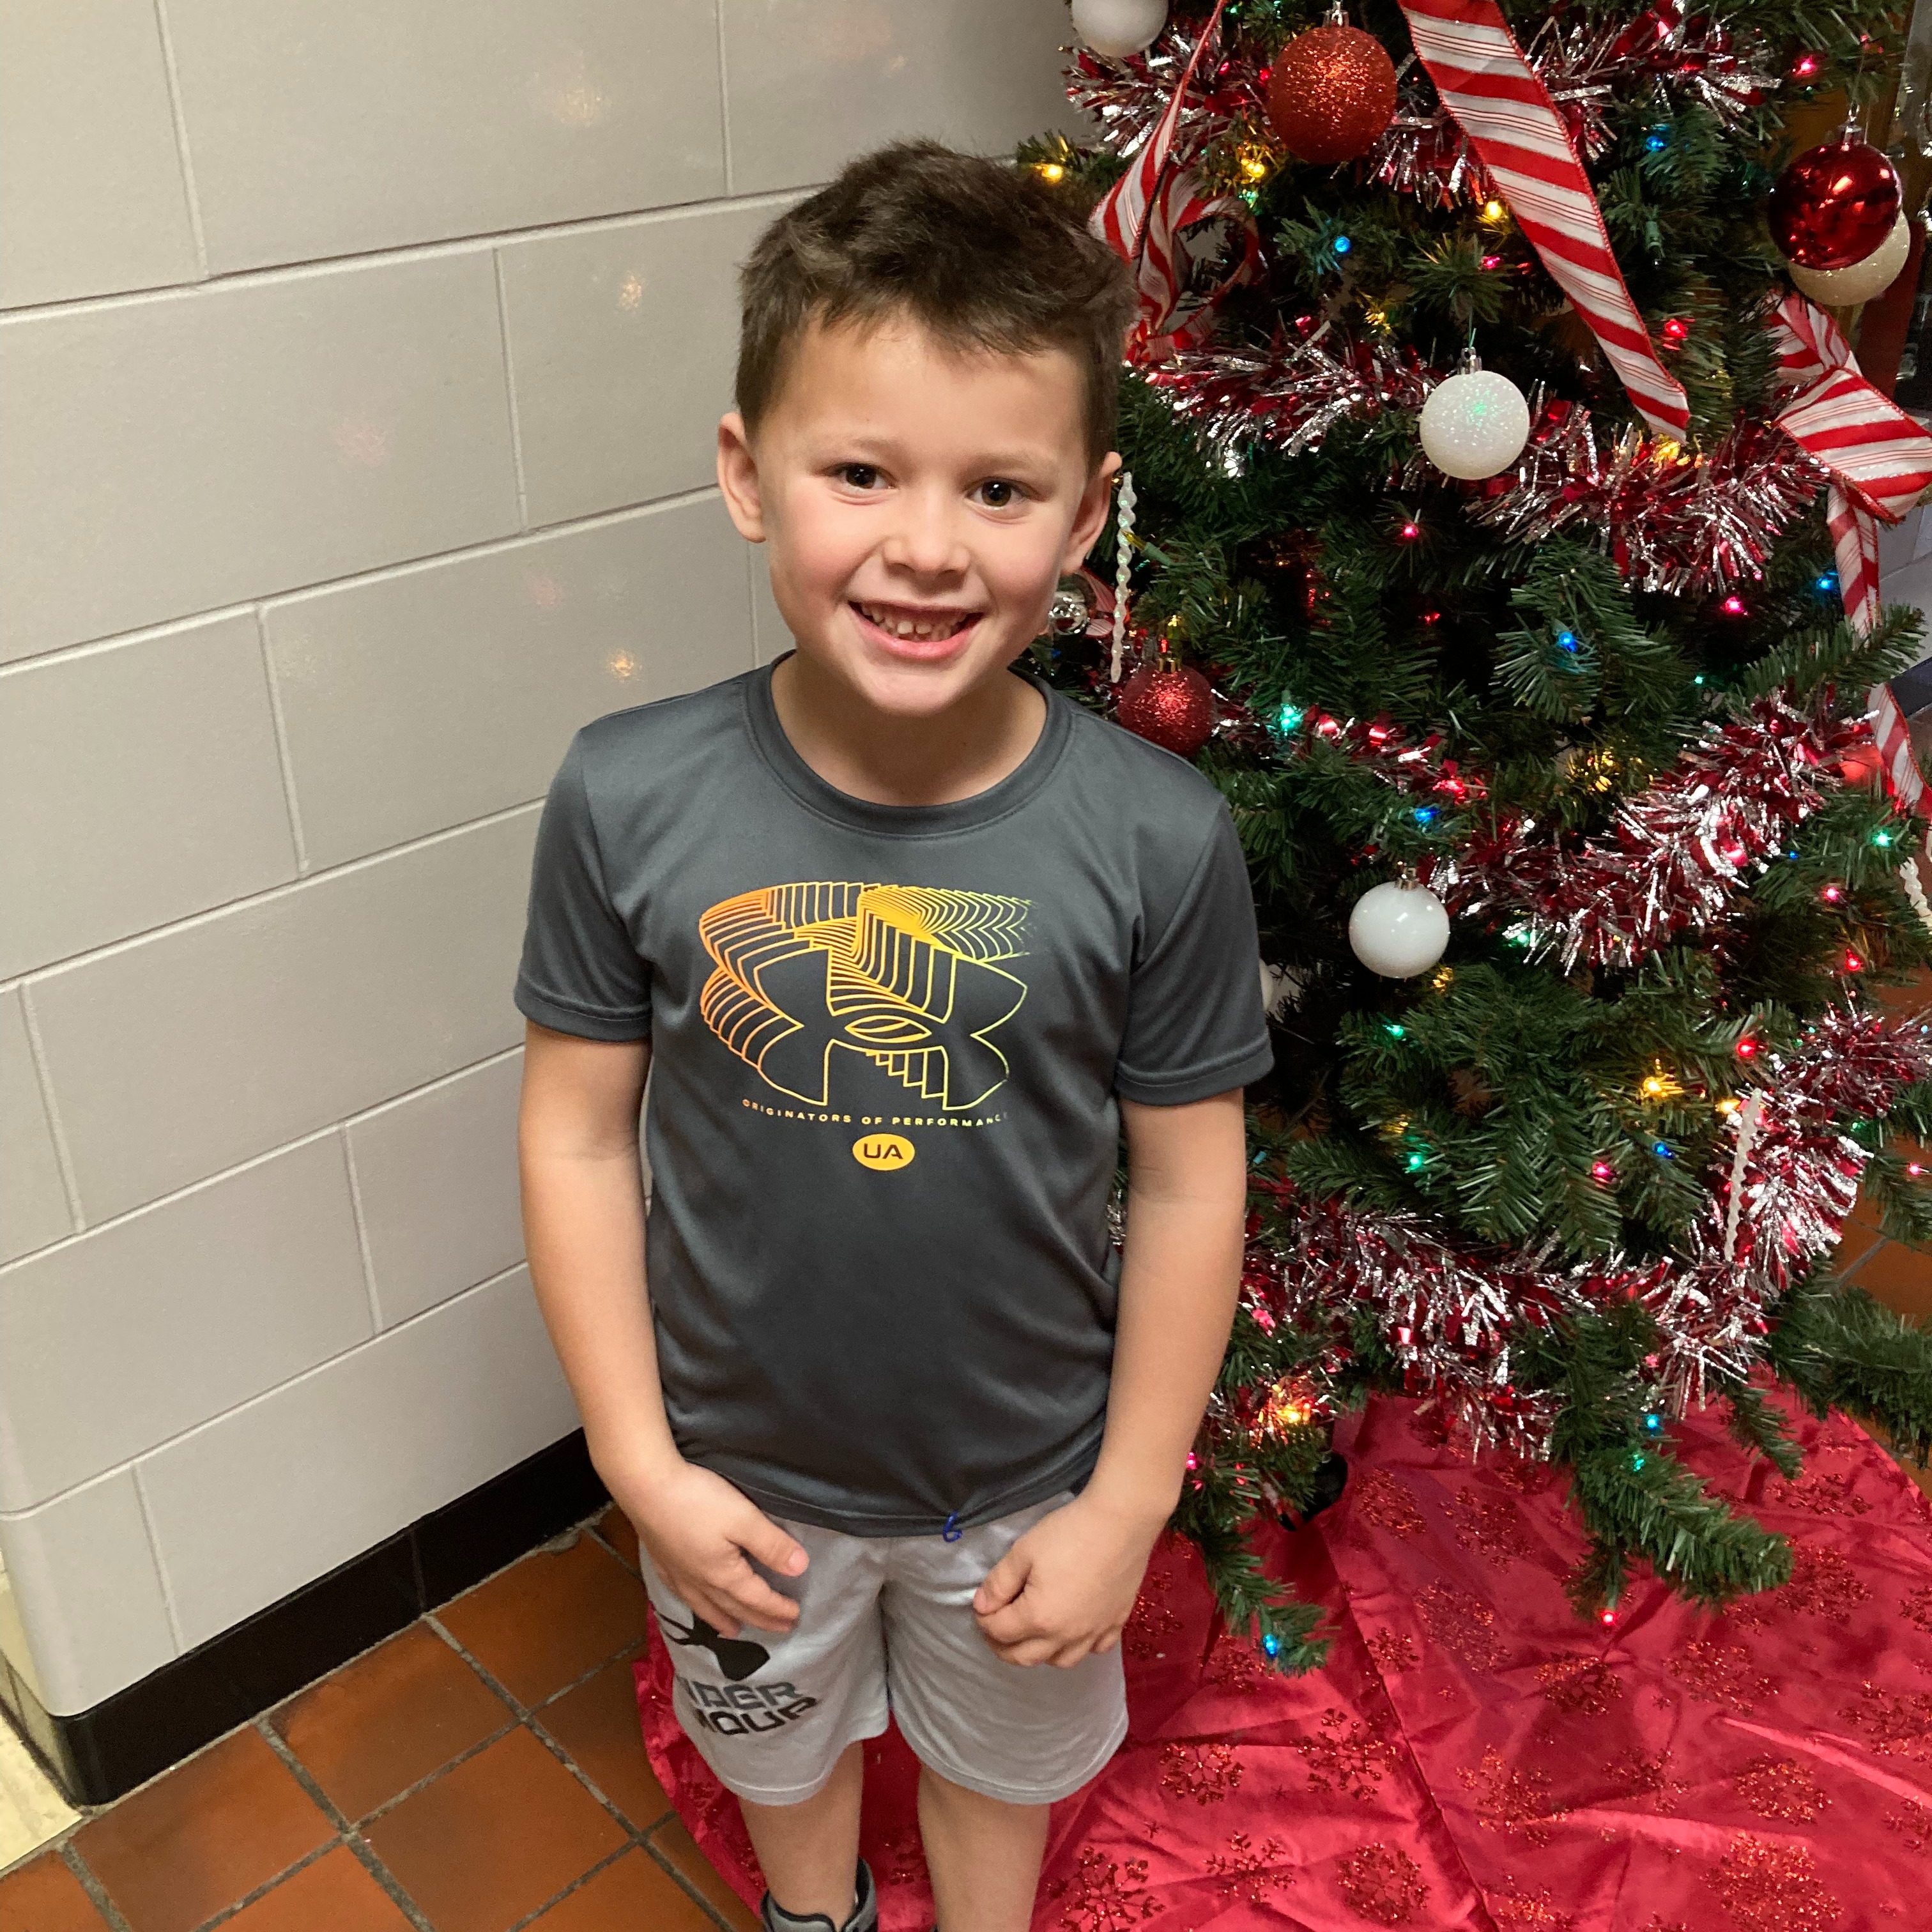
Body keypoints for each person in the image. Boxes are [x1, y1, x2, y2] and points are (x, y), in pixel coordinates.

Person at [514, 141, 1271, 1932]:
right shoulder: (625, 800)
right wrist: (638, 1462)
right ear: (747, 475)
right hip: (735, 1480)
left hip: (1022, 1483)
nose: (927, 547)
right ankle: (816, 1915)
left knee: (1003, 1765)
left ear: (1085, 517)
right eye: (862, 471)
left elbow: (1186, 1189)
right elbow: (572, 1139)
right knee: (781, 1761)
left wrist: (1128, 1502)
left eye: (999, 489)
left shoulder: (1162, 839)